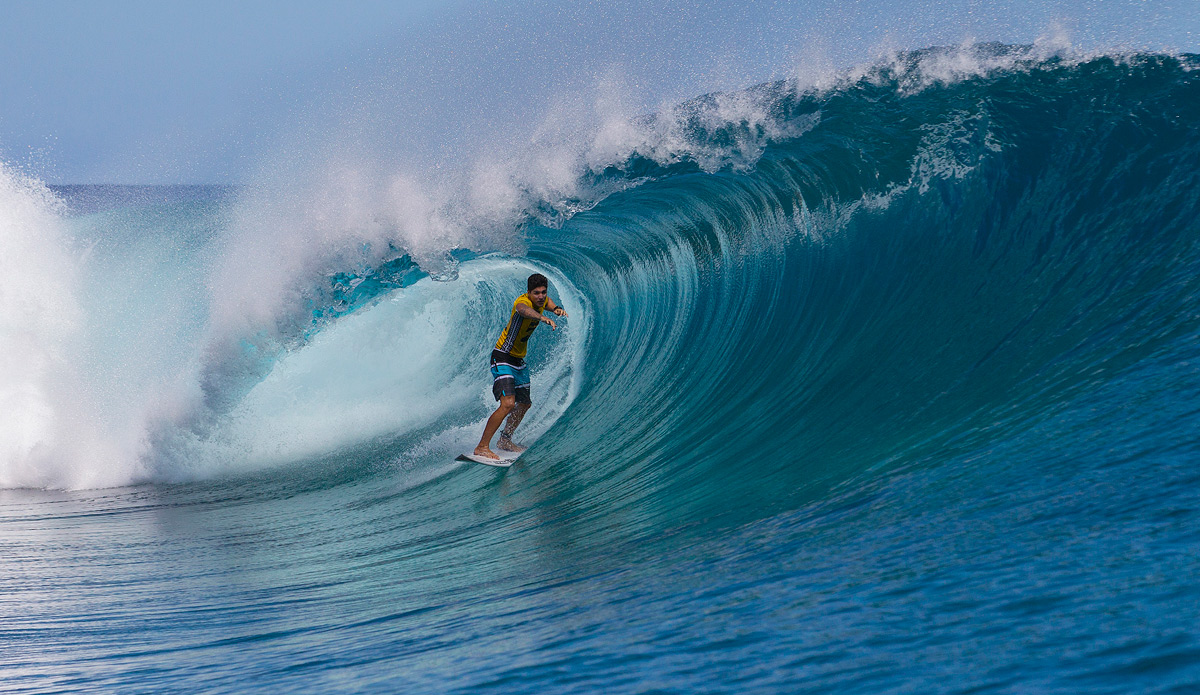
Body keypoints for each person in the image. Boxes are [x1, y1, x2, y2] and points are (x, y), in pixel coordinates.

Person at [474, 273, 567, 461]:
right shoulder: (522, 302)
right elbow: (523, 310)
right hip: (502, 357)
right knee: (508, 404)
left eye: (543, 292)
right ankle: (482, 447)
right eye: (536, 293)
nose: (540, 296)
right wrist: (543, 318)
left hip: (518, 361)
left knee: (524, 404)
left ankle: (505, 440)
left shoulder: (542, 300)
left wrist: (555, 308)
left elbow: (547, 302)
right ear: (528, 292)